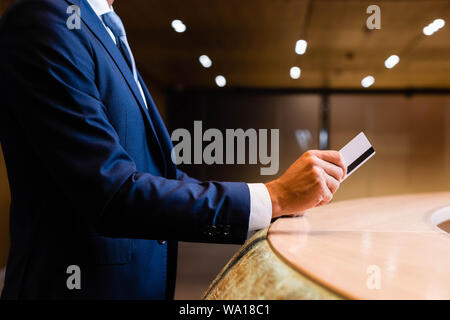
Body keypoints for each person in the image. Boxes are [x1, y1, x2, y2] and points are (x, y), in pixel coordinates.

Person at [0, 0, 346, 299]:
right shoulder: (46, 22)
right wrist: (272, 197)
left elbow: (158, 174)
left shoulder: (103, 28)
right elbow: (113, 192)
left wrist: (270, 202)